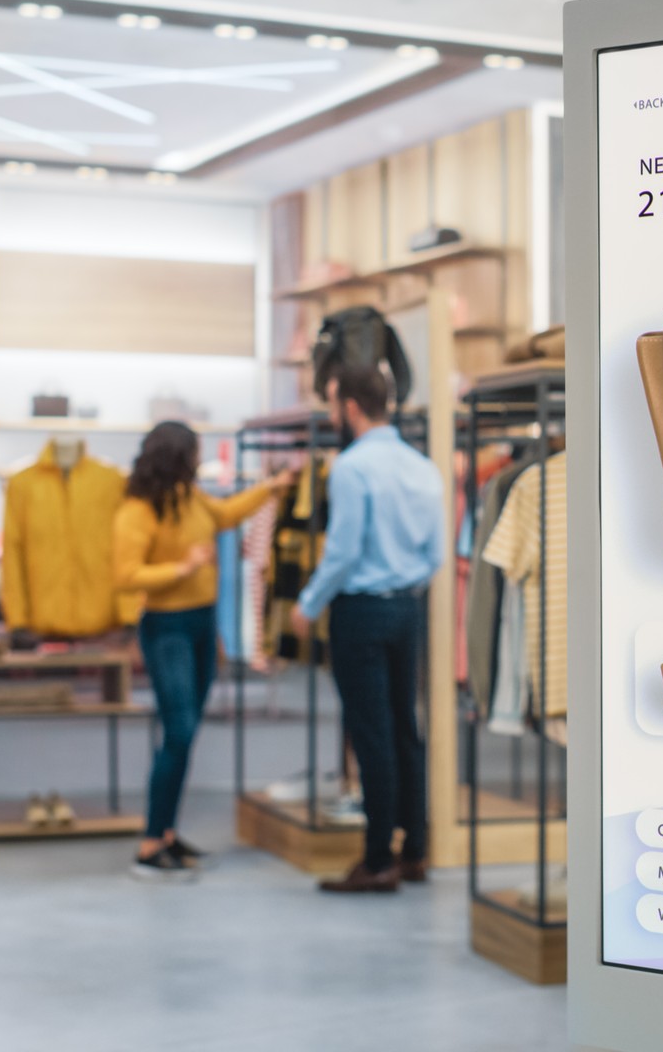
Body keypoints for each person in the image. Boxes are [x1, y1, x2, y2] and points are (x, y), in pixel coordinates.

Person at [291, 367, 446, 893]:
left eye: (335, 405)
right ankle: (415, 852)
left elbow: (343, 551)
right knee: (405, 727)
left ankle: (378, 858)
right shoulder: (424, 468)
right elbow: (436, 556)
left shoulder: (351, 468)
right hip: (408, 610)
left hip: (359, 610)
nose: (333, 416)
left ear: (352, 407)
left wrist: (309, 604)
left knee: (371, 733)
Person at [115, 422, 293, 877]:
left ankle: (167, 834)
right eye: (192, 453)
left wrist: (269, 489)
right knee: (178, 730)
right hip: (167, 628)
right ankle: (150, 844)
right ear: (177, 456)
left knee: (187, 732)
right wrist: (183, 567)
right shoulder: (137, 511)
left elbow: (228, 514)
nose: (198, 461)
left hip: (199, 624)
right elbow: (126, 575)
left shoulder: (189, 498)